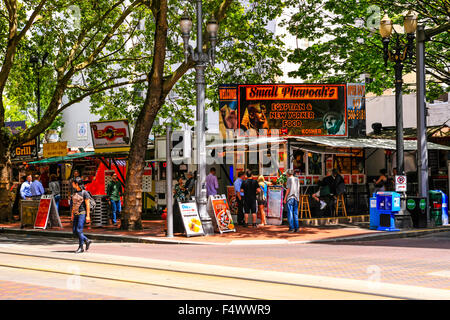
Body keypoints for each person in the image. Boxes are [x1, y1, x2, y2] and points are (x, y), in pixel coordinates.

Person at [71, 177, 92, 253]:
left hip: (82, 213)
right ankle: (87, 240)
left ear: (76, 184)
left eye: (73, 183)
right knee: (75, 231)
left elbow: (87, 205)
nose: (72, 184)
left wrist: (88, 216)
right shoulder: (74, 192)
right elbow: (73, 204)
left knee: (79, 230)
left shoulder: (85, 193)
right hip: (76, 213)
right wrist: (72, 214)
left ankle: (81, 247)